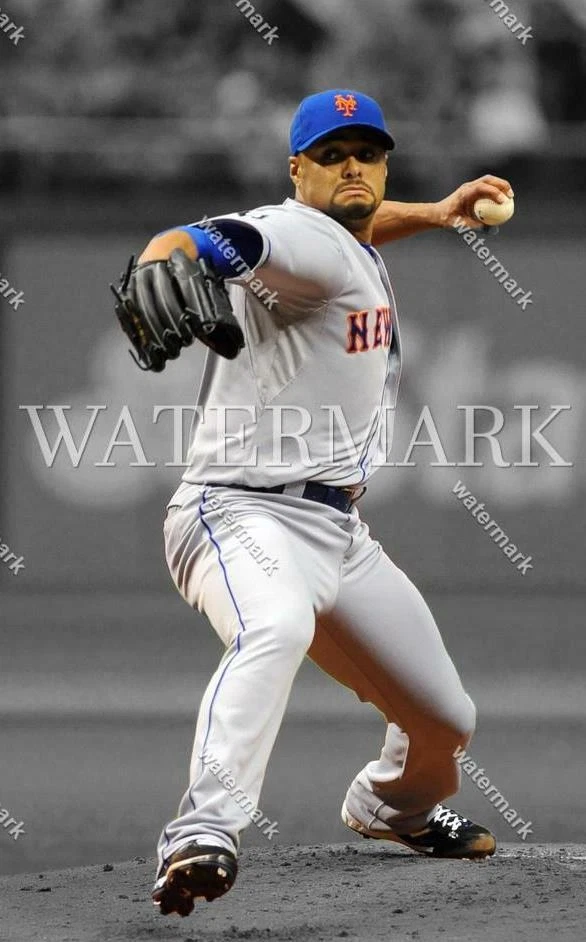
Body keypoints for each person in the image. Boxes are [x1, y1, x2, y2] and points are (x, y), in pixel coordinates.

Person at [137, 89, 513, 918]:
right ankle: (204, 833)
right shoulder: (300, 235)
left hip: (337, 533)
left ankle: (392, 806)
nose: (353, 166)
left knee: (444, 721)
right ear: (295, 169)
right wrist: (170, 247)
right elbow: (227, 239)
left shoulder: (347, 235)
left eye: (367, 153)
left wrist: (443, 212)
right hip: (237, 514)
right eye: (333, 153)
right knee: (275, 627)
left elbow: (363, 224)